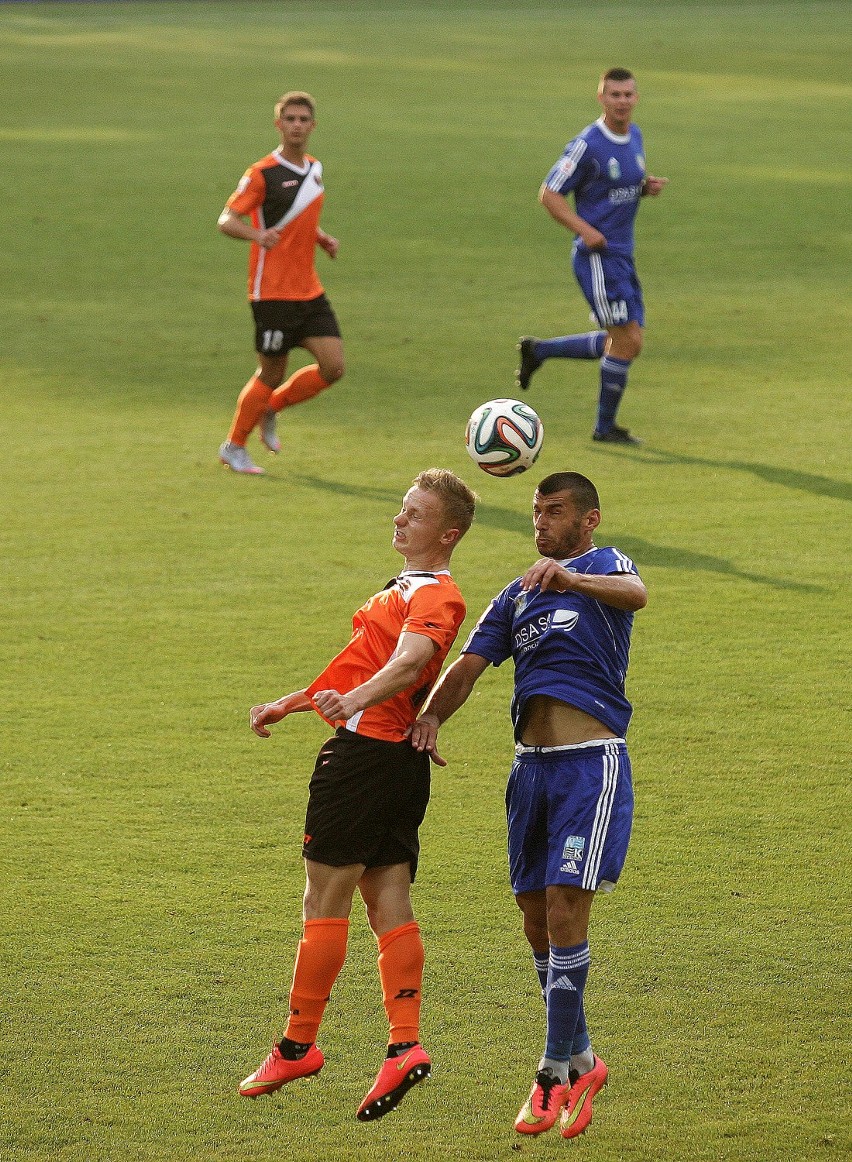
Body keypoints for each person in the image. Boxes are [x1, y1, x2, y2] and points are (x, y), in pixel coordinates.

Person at [410, 471, 647, 1140]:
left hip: (588, 767)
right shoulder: (516, 594)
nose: (541, 521)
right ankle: (585, 1060)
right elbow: (465, 668)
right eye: (536, 511)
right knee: (535, 921)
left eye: (555, 511)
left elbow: (638, 594)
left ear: (588, 518)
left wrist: (571, 579)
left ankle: (550, 1074)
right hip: (530, 773)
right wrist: (430, 720)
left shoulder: (604, 566)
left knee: (567, 907)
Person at [239, 469, 478, 1122]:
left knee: (324, 899)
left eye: (415, 515)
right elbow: (361, 659)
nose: (399, 521)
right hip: (396, 761)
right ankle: (403, 1046)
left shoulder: (435, 595)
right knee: (387, 895)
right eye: (401, 509)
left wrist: (356, 702)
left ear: (447, 533)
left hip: (365, 760)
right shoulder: (402, 588)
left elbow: (406, 663)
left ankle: (298, 1045)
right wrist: (293, 703)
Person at [515, 68, 668, 445]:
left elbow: (616, 185)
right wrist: (586, 231)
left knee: (628, 339)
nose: (622, 101)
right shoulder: (587, 144)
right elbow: (549, 193)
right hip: (597, 257)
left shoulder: (635, 136)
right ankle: (604, 428)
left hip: (623, 255)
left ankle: (540, 350)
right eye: (614, 94)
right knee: (627, 340)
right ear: (601, 97)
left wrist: (644, 188)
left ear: (636, 98)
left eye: (628, 94)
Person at [217, 91, 344, 475]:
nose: (297, 125)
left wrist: (320, 237)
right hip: (271, 292)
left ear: (313, 126)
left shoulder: (315, 168)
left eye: (303, 119)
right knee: (271, 373)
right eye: (289, 119)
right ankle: (233, 446)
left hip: (309, 289)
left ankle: (270, 408)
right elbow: (227, 220)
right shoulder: (262, 173)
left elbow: (298, 215)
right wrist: (257, 236)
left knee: (333, 367)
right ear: (279, 124)